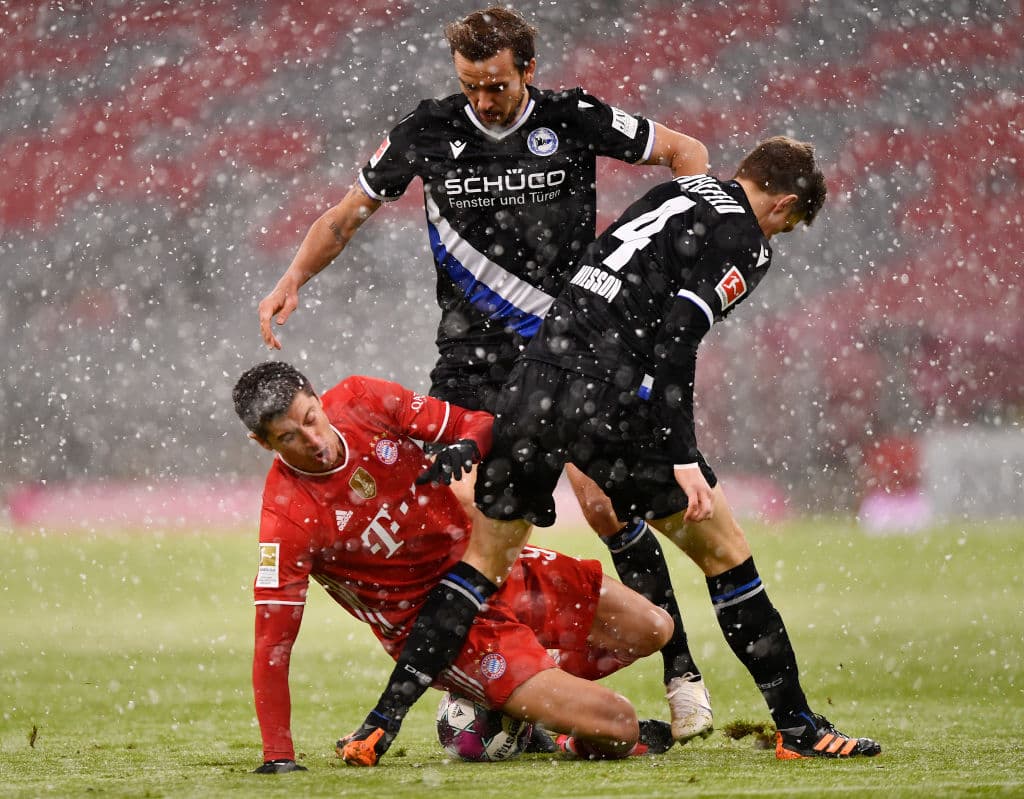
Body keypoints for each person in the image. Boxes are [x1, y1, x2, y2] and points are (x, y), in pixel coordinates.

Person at [257, 6, 715, 746]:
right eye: (471, 85)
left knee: (605, 505)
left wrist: (686, 247)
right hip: (472, 360)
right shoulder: (427, 131)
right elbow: (347, 215)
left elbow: (686, 150)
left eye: (496, 86)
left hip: (573, 346)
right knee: (462, 515)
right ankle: (485, 686)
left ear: (527, 70)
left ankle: (682, 670)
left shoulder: (574, 118)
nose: (483, 100)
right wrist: (293, 277)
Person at [472, 136, 883, 760]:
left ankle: (436, 707)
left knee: (485, 566)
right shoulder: (747, 239)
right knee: (726, 555)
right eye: (791, 225)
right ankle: (798, 727)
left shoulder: (675, 192)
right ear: (786, 204)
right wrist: (682, 452)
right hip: (609, 395)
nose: (782, 236)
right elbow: (677, 339)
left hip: (542, 376)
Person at [232, 361, 677, 772]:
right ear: (262, 443)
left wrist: (466, 446)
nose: (313, 441)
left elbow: (478, 423)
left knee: (654, 628)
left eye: (310, 419)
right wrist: (279, 757)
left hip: (487, 567)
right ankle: (564, 735)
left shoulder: (363, 398)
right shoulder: (286, 518)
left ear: (317, 396)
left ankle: (515, 707)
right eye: (289, 437)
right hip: (447, 635)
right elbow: (273, 645)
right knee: (620, 724)